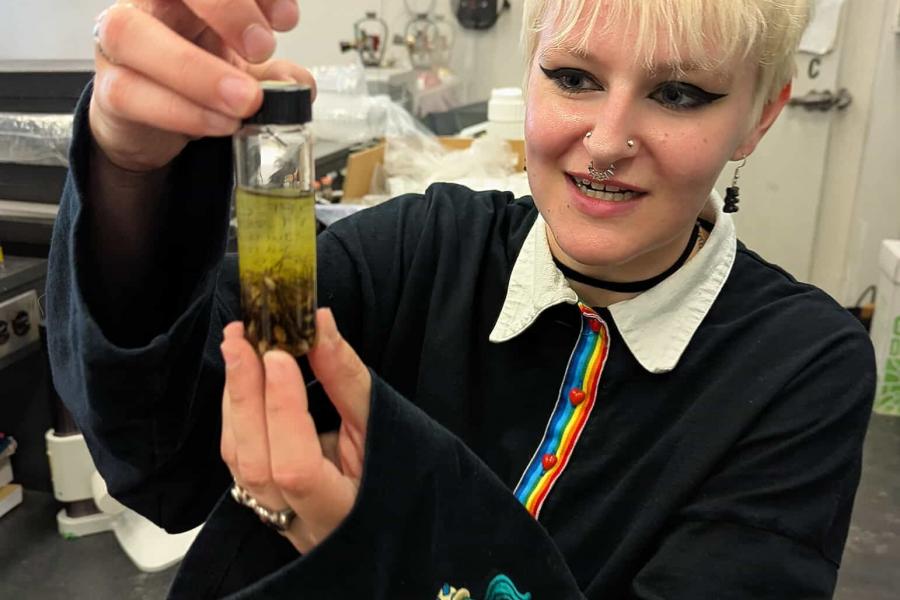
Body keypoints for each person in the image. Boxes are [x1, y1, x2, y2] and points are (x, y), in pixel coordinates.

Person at [46, 0, 876, 597]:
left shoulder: (798, 369)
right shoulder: (417, 250)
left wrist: (386, 544)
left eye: (680, 94)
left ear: (760, 116)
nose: (607, 141)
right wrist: (132, 174)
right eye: (574, 77)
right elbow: (163, 454)